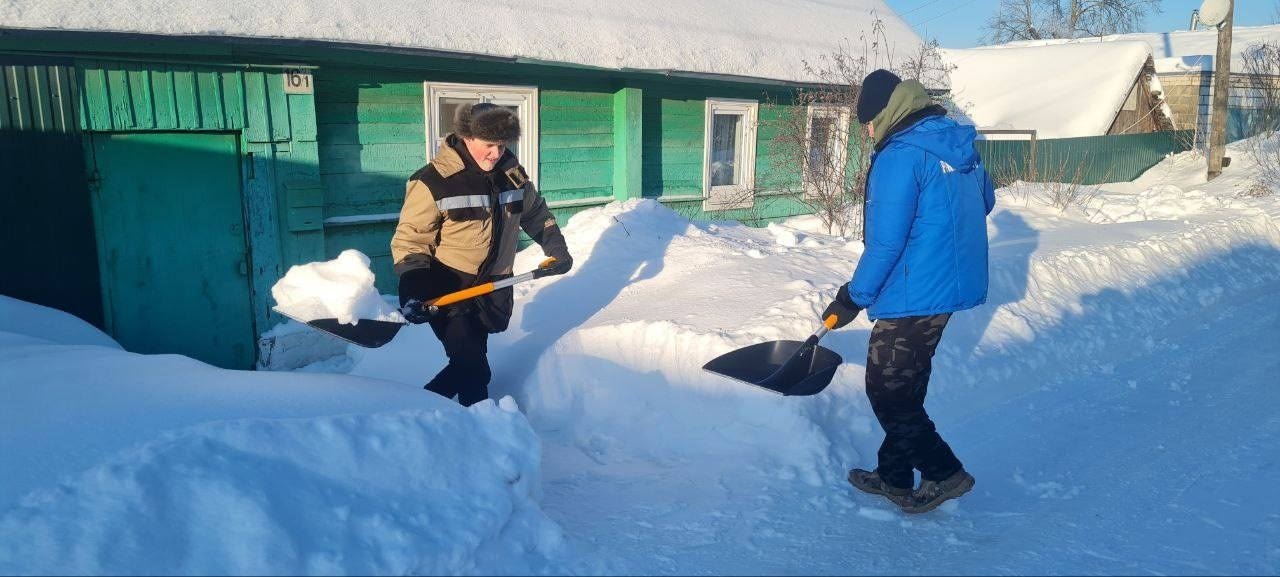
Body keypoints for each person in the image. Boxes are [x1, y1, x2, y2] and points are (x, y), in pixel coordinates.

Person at [821, 69, 996, 514]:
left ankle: (944, 472)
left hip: (913, 291)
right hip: (947, 287)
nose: (867, 131)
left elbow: (886, 244)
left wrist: (852, 297)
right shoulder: (955, 143)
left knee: (887, 392)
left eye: (868, 121)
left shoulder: (900, 155)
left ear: (887, 111)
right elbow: (985, 201)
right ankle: (894, 475)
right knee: (906, 386)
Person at [391, 103, 572, 406]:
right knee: (472, 366)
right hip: (449, 287)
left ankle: (456, 419)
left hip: (493, 284)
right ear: (467, 137)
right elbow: (411, 239)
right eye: (489, 145)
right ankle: (414, 413)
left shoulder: (511, 175)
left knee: (473, 363)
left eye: (502, 145)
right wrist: (414, 286)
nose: (496, 153)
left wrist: (556, 247)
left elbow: (535, 213)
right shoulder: (434, 181)